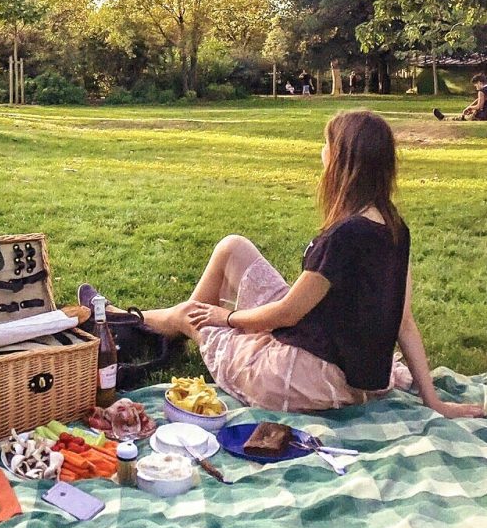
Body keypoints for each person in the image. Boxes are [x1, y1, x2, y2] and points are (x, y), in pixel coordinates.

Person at [82, 111, 483, 420]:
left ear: (344, 162)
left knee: (205, 319)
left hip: (310, 374)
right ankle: (135, 324)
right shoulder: (394, 227)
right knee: (233, 247)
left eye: (327, 146)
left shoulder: (344, 237)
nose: (321, 154)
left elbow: (287, 313)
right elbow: (404, 320)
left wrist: (228, 318)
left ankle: (128, 324)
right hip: (339, 354)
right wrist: (435, 401)